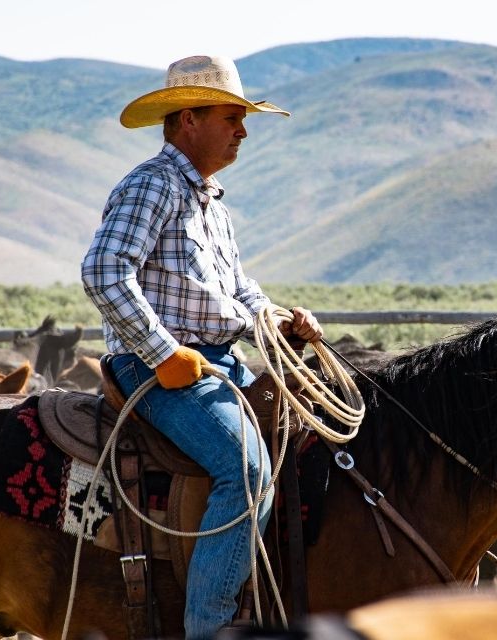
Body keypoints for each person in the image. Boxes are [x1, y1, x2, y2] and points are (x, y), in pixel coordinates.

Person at [81, 54, 324, 639]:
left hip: (216, 364)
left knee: (310, 443)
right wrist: (163, 353)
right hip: (154, 370)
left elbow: (240, 290)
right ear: (188, 119)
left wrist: (282, 319)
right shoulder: (152, 185)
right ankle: (209, 630)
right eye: (232, 116)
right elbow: (104, 271)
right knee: (245, 470)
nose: (243, 129)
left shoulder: (213, 203)